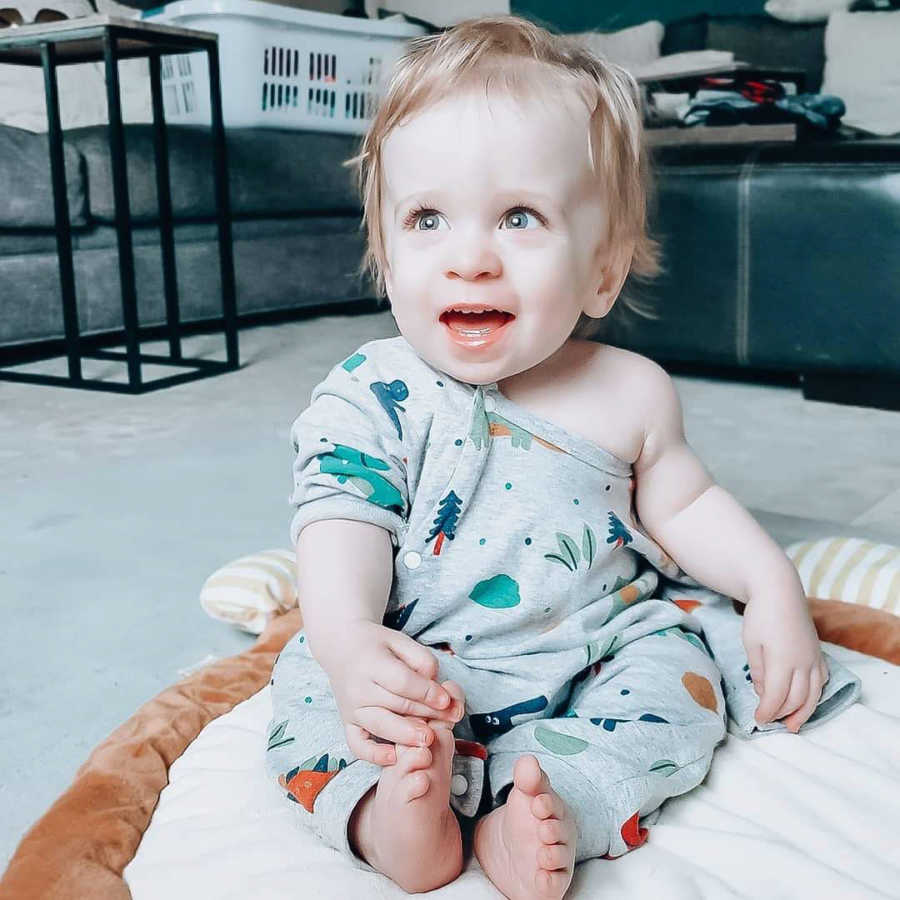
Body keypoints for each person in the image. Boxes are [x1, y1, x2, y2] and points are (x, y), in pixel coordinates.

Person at [265, 14, 858, 900]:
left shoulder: (630, 392)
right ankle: (391, 820)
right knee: (309, 695)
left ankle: (552, 808)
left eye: (519, 217)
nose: (469, 259)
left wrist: (773, 588)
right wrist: (352, 644)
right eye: (427, 218)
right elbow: (339, 520)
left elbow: (688, 508)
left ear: (603, 272)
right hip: (420, 658)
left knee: (677, 691)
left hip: (593, 651)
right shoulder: (372, 387)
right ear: (386, 253)